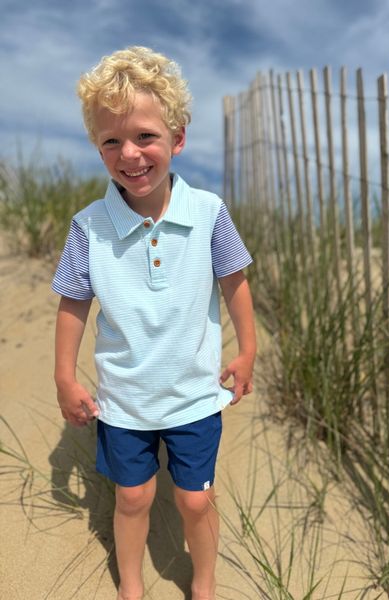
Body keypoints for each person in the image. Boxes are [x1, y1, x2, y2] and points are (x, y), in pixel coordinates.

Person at [52, 46, 256, 600]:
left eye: (145, 136)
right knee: (133, 496)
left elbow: (236, 282)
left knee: (194, 499)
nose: (131, 154)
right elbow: (73, 303)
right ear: (98, 147)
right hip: (125, 398)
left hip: (193, 392)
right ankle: (133, 586)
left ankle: (205, 583)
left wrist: (247, 351)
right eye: (111, 141)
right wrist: (66, 378)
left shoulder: (209, 211)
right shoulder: (88, 227)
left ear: (177, 139)